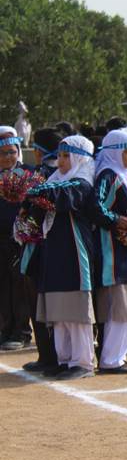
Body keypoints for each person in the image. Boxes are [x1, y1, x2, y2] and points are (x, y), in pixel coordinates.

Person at [26, 136, 99, 380]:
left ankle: (82, 361)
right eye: (60, 155)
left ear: (80, 158)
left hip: (75, 252)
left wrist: (34, 191)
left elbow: (64, 199)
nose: (61, 161)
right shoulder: (55, 180)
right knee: (58, 307)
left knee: (75, 308)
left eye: (67, 156)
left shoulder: (83, 183)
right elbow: (41, 201)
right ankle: (64, 359)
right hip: (54, 250)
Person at [91, 128, 127, 374]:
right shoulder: (108, 175)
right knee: (120, 306)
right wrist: (116, 220)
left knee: (125, 306)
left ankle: (117, 356)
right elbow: (95, 208)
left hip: (126, 249)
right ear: (113, 152)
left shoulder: (124, 176)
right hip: (113, 251)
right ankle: (111, 359)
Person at [18, 128, 62, 374]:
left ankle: (48, 355)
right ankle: (52, 354)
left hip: (39, 246)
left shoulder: (41, 175)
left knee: (39, 300)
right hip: (56, 246)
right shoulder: (65, 173)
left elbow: (28, 209)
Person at [0, 127, 32, 352]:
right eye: (2, 153)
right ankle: (5, 329)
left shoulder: (28, 174)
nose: (8, 157)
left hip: (20, 241)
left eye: (12, 152)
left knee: (19, 285)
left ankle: (21, 332)